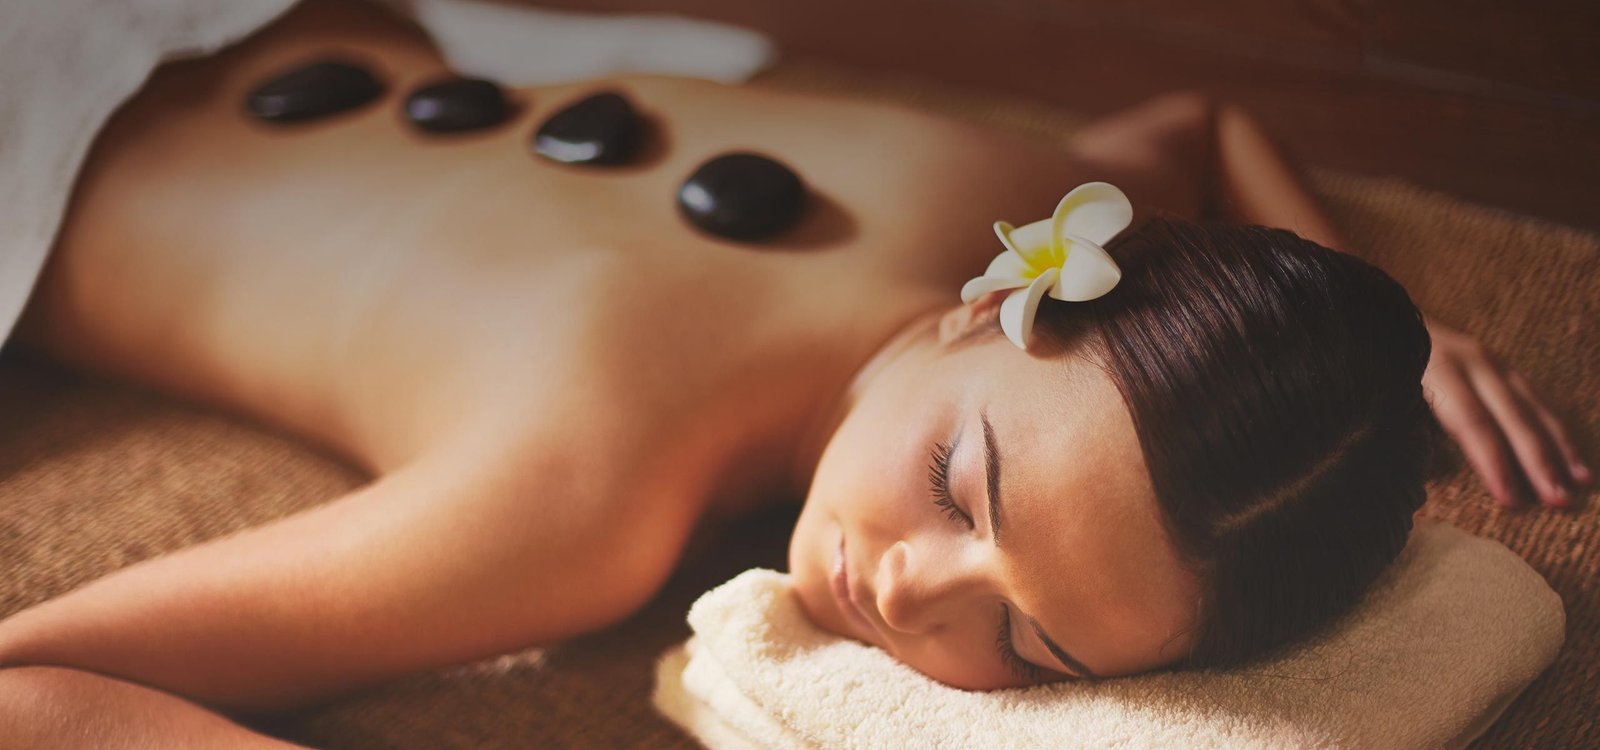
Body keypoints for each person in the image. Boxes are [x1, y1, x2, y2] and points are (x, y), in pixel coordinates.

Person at [0, 0, 1587, 745]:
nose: (909, 590)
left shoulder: (1007, 195)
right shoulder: (587, 499)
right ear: (988, 304)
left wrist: (1377, 330)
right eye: (962, 483)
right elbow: (32, 683)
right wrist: (1407, 322)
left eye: (1029, 644)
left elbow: (1198, 131)